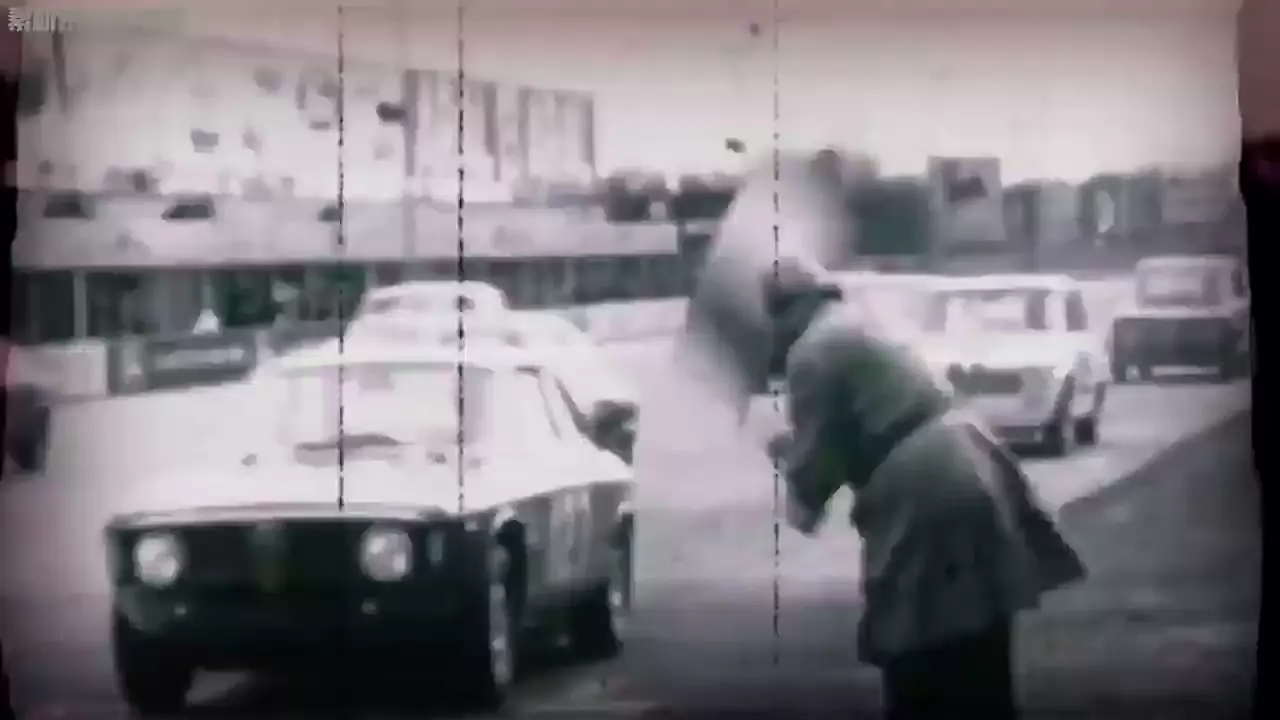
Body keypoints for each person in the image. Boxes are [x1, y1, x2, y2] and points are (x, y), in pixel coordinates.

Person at [683, 152, 1087, 719]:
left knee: (919, 658)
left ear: (780, 313)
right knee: (979, 656)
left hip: (925, 488)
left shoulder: (813, 352)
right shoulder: (856, 324)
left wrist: (771, 446)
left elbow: (809, 492)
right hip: (965, 459)